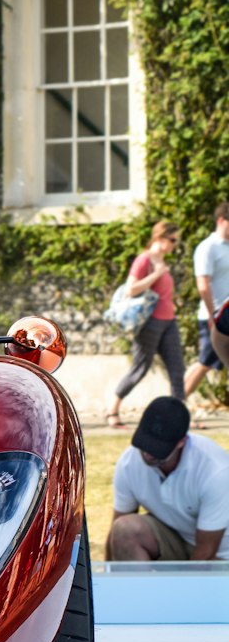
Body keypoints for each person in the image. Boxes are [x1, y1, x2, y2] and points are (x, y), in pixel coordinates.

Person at [107, 396, 229, 561]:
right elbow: (116, 528)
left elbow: (206, 553)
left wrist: (186, 587)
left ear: (182, 442)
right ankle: (137, 587)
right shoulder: (129, 462)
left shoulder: (216, 471)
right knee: (124, 529)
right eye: (145, 442)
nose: (147, 453)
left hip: (220, 555)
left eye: (157, 447)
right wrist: (103, 582)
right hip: (177, 538)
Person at [105, 220, 184, 428]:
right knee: (140, 367)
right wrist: (157, 274)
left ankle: (180, 420)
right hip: (150, 323)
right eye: (173, 239)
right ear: (159, 237)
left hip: (169, 322)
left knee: (177, 370)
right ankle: (112, 410)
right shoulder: (144, 260)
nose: (175, 244)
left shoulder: (162, 260)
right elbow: (131, 289)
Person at [183, 201, 229, 402]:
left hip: (225, 315)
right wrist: (212, 315)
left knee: (206, 363)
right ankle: (175, 404)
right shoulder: (207, 248)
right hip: (214, 317)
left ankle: (176, 401)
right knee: (205, 363)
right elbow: (203, 284)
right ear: (221, 221)